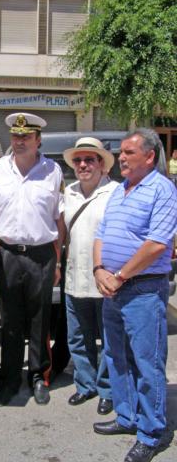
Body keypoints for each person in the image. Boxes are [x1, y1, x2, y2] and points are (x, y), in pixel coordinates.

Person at [93, 129, 177, 462]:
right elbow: (102, 232)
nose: (121, 157)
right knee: (116, 356)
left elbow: (157, 243)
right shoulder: (120, 190)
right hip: (112, 287)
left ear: (150, 156)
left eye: (128, 152)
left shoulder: (163, 189)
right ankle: (127, 416)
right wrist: (100, 269)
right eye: (121, 152)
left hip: (142, 289)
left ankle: (151, 431)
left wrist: (121, 275)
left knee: (147, 362)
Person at [0, 112, 63, 407]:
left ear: (38, 139)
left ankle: (39, 376)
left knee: (40, 320)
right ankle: (10, 379)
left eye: (26, 137)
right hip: (7, 254)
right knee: (11, 321)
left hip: (41, 255)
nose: (19, 141)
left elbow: (58, 219)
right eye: (15, 136)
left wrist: (58, 260)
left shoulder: (53, 171)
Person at [60, 137, 118, 415]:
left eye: (90, 159)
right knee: (77, 338)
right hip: (74, 278)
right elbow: (61, 233)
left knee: (109, 339)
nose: (83, 165)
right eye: (78, 160)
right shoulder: (68, 193)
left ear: (102, 165)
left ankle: (107, 389)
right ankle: (85, 385)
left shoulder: (117, 192)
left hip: (106, 280)